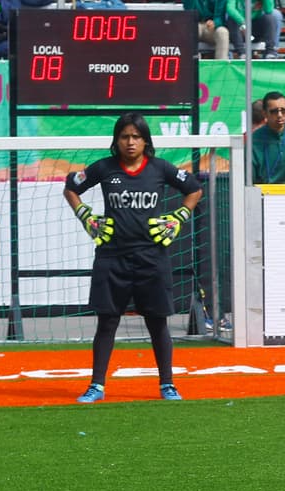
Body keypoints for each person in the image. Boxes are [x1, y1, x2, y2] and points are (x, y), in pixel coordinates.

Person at [64, 113, 204, 404]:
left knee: (157, 322)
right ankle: (96, 385)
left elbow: (194, 190)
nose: (130, 142)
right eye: (125, 136)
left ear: (145, 140)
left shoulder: (160, 168)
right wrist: (85, 217)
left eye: (136, 137)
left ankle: (167, 384)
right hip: (112, 257)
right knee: (107, 322)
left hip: (151, 258)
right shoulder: (104, 168)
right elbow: (71, 188)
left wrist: (179, 217)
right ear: (116, 140)